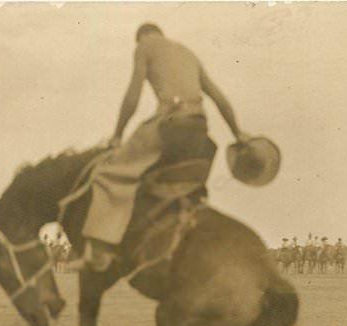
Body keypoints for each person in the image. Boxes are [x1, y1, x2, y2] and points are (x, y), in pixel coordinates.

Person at [68, 23, 250, 272]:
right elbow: (219, 98)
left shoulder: (145, 46)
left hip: (172, 124)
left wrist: (118, 135)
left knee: (108, 172)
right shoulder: (187, 52)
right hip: (199, 126)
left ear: (141, 37)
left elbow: (133, 94)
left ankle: (99, 252)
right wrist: (238, 134)